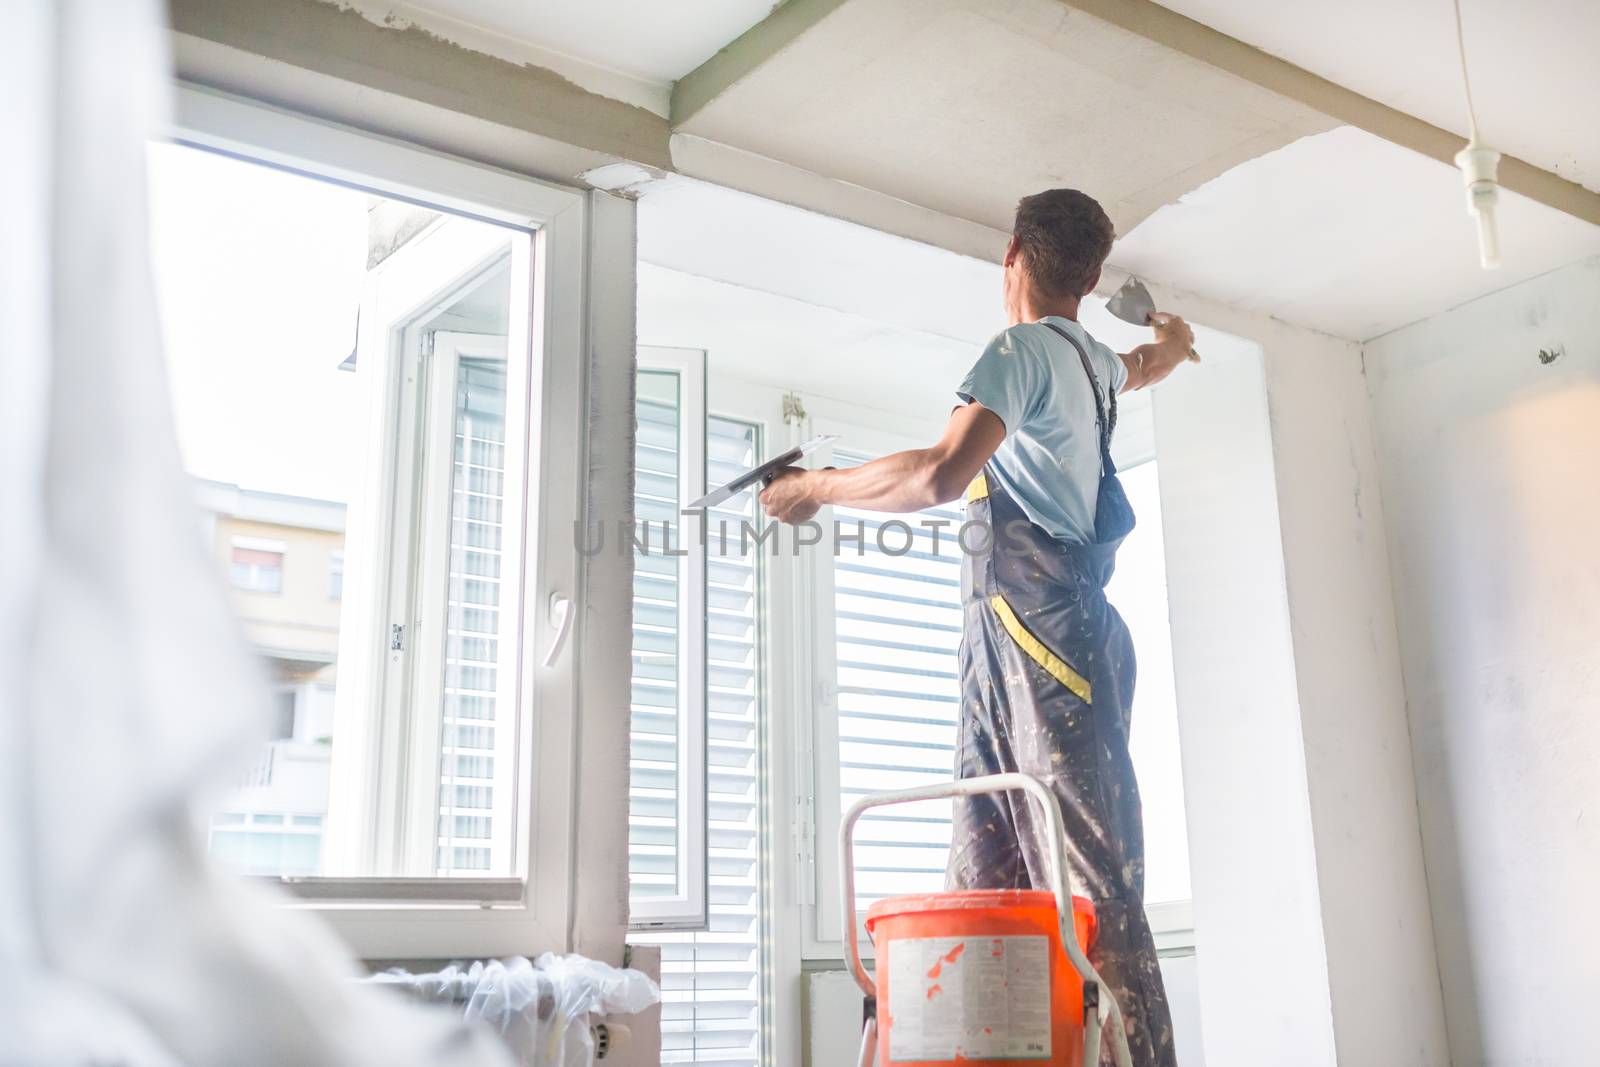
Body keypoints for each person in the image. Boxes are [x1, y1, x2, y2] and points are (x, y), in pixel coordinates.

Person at [759, 188, 1195, 1067]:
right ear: (1094, 276)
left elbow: (938, 474)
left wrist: (815, 487)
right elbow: (1143, 366)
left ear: (1013, 256)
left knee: (1093, 891)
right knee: (990, 870)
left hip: (1046, 646)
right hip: (1023, 645)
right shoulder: (1092, 365)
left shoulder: (1023, 350)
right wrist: (1173, 343)